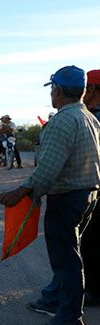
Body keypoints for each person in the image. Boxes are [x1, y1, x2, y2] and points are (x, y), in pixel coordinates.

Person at [0, 65, 100, 325]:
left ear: (58, 90)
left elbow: (48, 168)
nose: (52, 94)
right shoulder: (88, 117)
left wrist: (23, 192)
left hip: (68, 197)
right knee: (69, 251)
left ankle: (69, 318)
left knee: (66, 258)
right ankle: (53, 299)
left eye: (53, 89)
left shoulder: (63, 121)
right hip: (88, 193)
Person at [81, 69, 100, 306]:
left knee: (92, 239)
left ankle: (94, 290)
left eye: (86, 88)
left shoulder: (91, 118)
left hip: (94, 186)